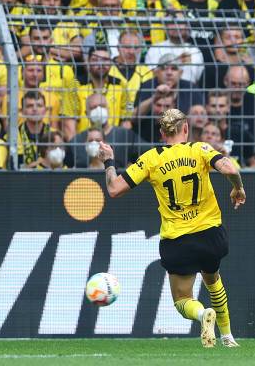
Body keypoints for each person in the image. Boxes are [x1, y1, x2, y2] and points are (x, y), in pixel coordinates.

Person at [97, 108, 245, 348]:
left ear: (161, 133)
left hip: (177, 239)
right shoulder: (199, 149)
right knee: (213, 278)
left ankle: (201, 314)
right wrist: (237, 188)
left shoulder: (151, 158)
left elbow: (114, 189)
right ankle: (227, 336)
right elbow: (230, 168)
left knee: (182, 299)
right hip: (210, 234)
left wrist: (108, 162)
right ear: (185, 128)